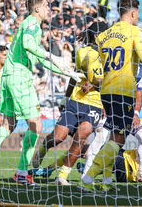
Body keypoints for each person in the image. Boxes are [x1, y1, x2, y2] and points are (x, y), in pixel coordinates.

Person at [0, 0, 82, 185]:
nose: (49, 9)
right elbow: (29, 46)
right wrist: (51, 55)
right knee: (36, 125)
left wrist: (67, 71)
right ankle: (22, 172)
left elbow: (39, 58)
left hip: (8, 77)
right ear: (37, 9)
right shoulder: (32, 23)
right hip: (19, 79)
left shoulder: (29, 25)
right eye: (47, 6)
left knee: (8, 125)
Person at [80, 0, 142, 193]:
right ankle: (86, 179)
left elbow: (100, 65)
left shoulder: (104, 35)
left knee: (112, 138)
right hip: (123, 92)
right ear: (134, 13)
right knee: (118, 141)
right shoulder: (135, 31)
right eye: (138, 14)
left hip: (106, 92)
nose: (138, 18)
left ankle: (102, 179)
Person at [30, 21, 109, 185]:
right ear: (96, 36)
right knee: (58, 138)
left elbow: (108, 82)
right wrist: (66, 98)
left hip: (94, 105)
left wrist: (95, 86)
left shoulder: (109, 55)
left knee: (81, 137)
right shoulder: (83, 52)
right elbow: (76, 76)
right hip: (76, 101)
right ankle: (43, 150)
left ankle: (62, 176)